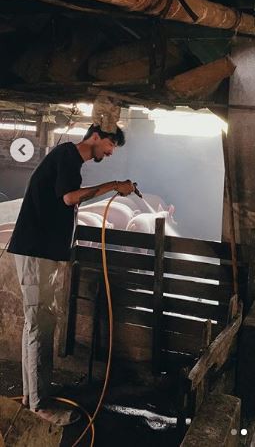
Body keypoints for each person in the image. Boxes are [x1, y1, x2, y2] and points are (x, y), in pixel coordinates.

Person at [7, 124, 135, 426]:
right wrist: (114, 184)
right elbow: (68, 198)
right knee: (40, 325)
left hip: (40, 252)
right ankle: (40, 407)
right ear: (95, 136)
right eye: (110, 143)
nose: (110, 151)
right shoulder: (67, 156)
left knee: (35, 324)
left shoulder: (68, 159)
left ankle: (31, 397)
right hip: (37, 253)